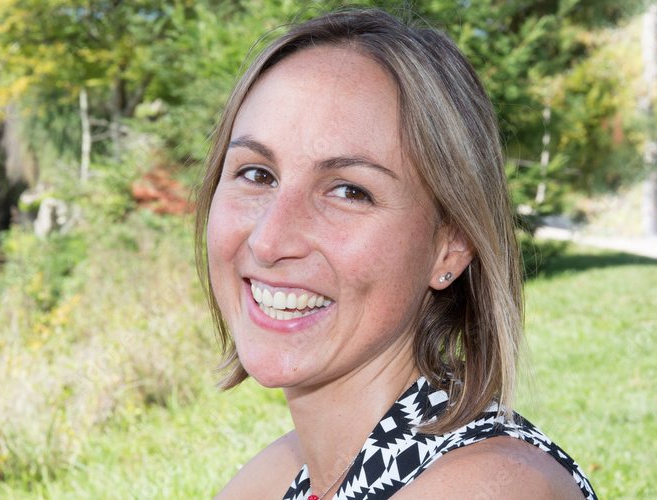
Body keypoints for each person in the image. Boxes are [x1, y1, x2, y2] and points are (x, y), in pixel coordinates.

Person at [194, 8, 596, 500]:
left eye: (349, 191)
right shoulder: (285, 473)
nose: (268, 240)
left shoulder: (493, 487)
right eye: (257, 174)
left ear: (451, 246)